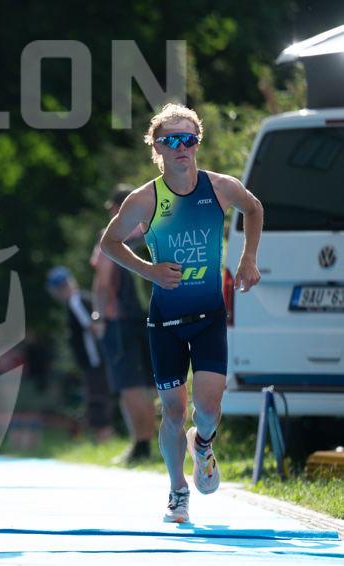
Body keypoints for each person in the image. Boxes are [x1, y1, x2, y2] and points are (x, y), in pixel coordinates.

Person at [100, 103, 263, 523]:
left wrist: (248, 259)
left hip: (209, 317)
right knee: (173, 411)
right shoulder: (145, 199)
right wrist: (149, 270)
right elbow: (109, 243)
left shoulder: (220, 187)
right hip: (166, 323)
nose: (181, 147)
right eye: (171, 140)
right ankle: (177, 490)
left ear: (197, 143)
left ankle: (202, 445)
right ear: (157, 147)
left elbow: (254, 208)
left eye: (189, 139)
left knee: (207, 410)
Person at [91, 186, 157, 464]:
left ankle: (140, 446)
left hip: (119, 323)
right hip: (152, 319)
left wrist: (98, 316)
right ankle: (153, 445)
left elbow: (103, 282)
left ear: (119, 207)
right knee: (151, 385)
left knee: (129, 385)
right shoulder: (152, 231)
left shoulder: (111, 235)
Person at [45, 267, 114, 442]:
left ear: (58, 289)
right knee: (99, 396)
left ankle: (103, 438)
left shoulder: (75, 302)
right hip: (96, 358)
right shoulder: (82, 298)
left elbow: (93, 327)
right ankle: (103, 437)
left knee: (97, 397)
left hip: (94, 358)